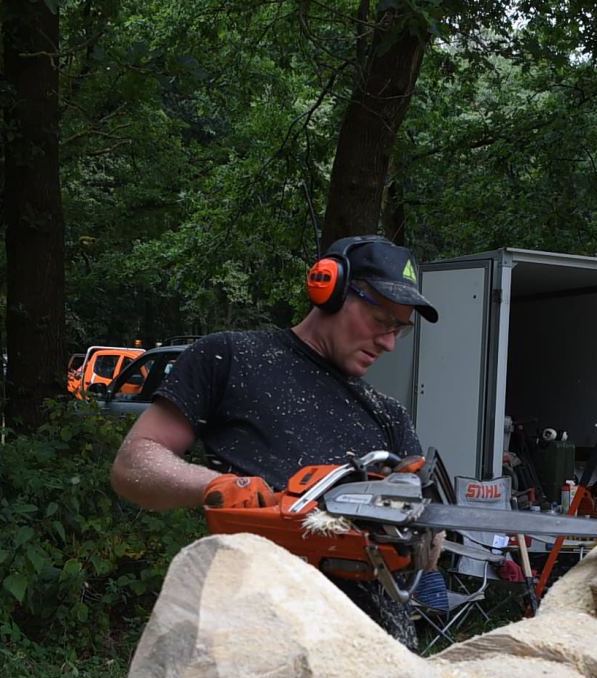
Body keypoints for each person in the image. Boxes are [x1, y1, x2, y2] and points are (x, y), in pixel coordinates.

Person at [109, 234, 439, 644]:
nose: (388, 343)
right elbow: (134, 463)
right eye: (380, 320)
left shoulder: (389, 415)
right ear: (331, 288)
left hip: (374, 647)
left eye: (398, 330)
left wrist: (425, 541)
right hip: (254, 637)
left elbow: (423, 534)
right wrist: (219, 486)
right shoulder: (231, 358)